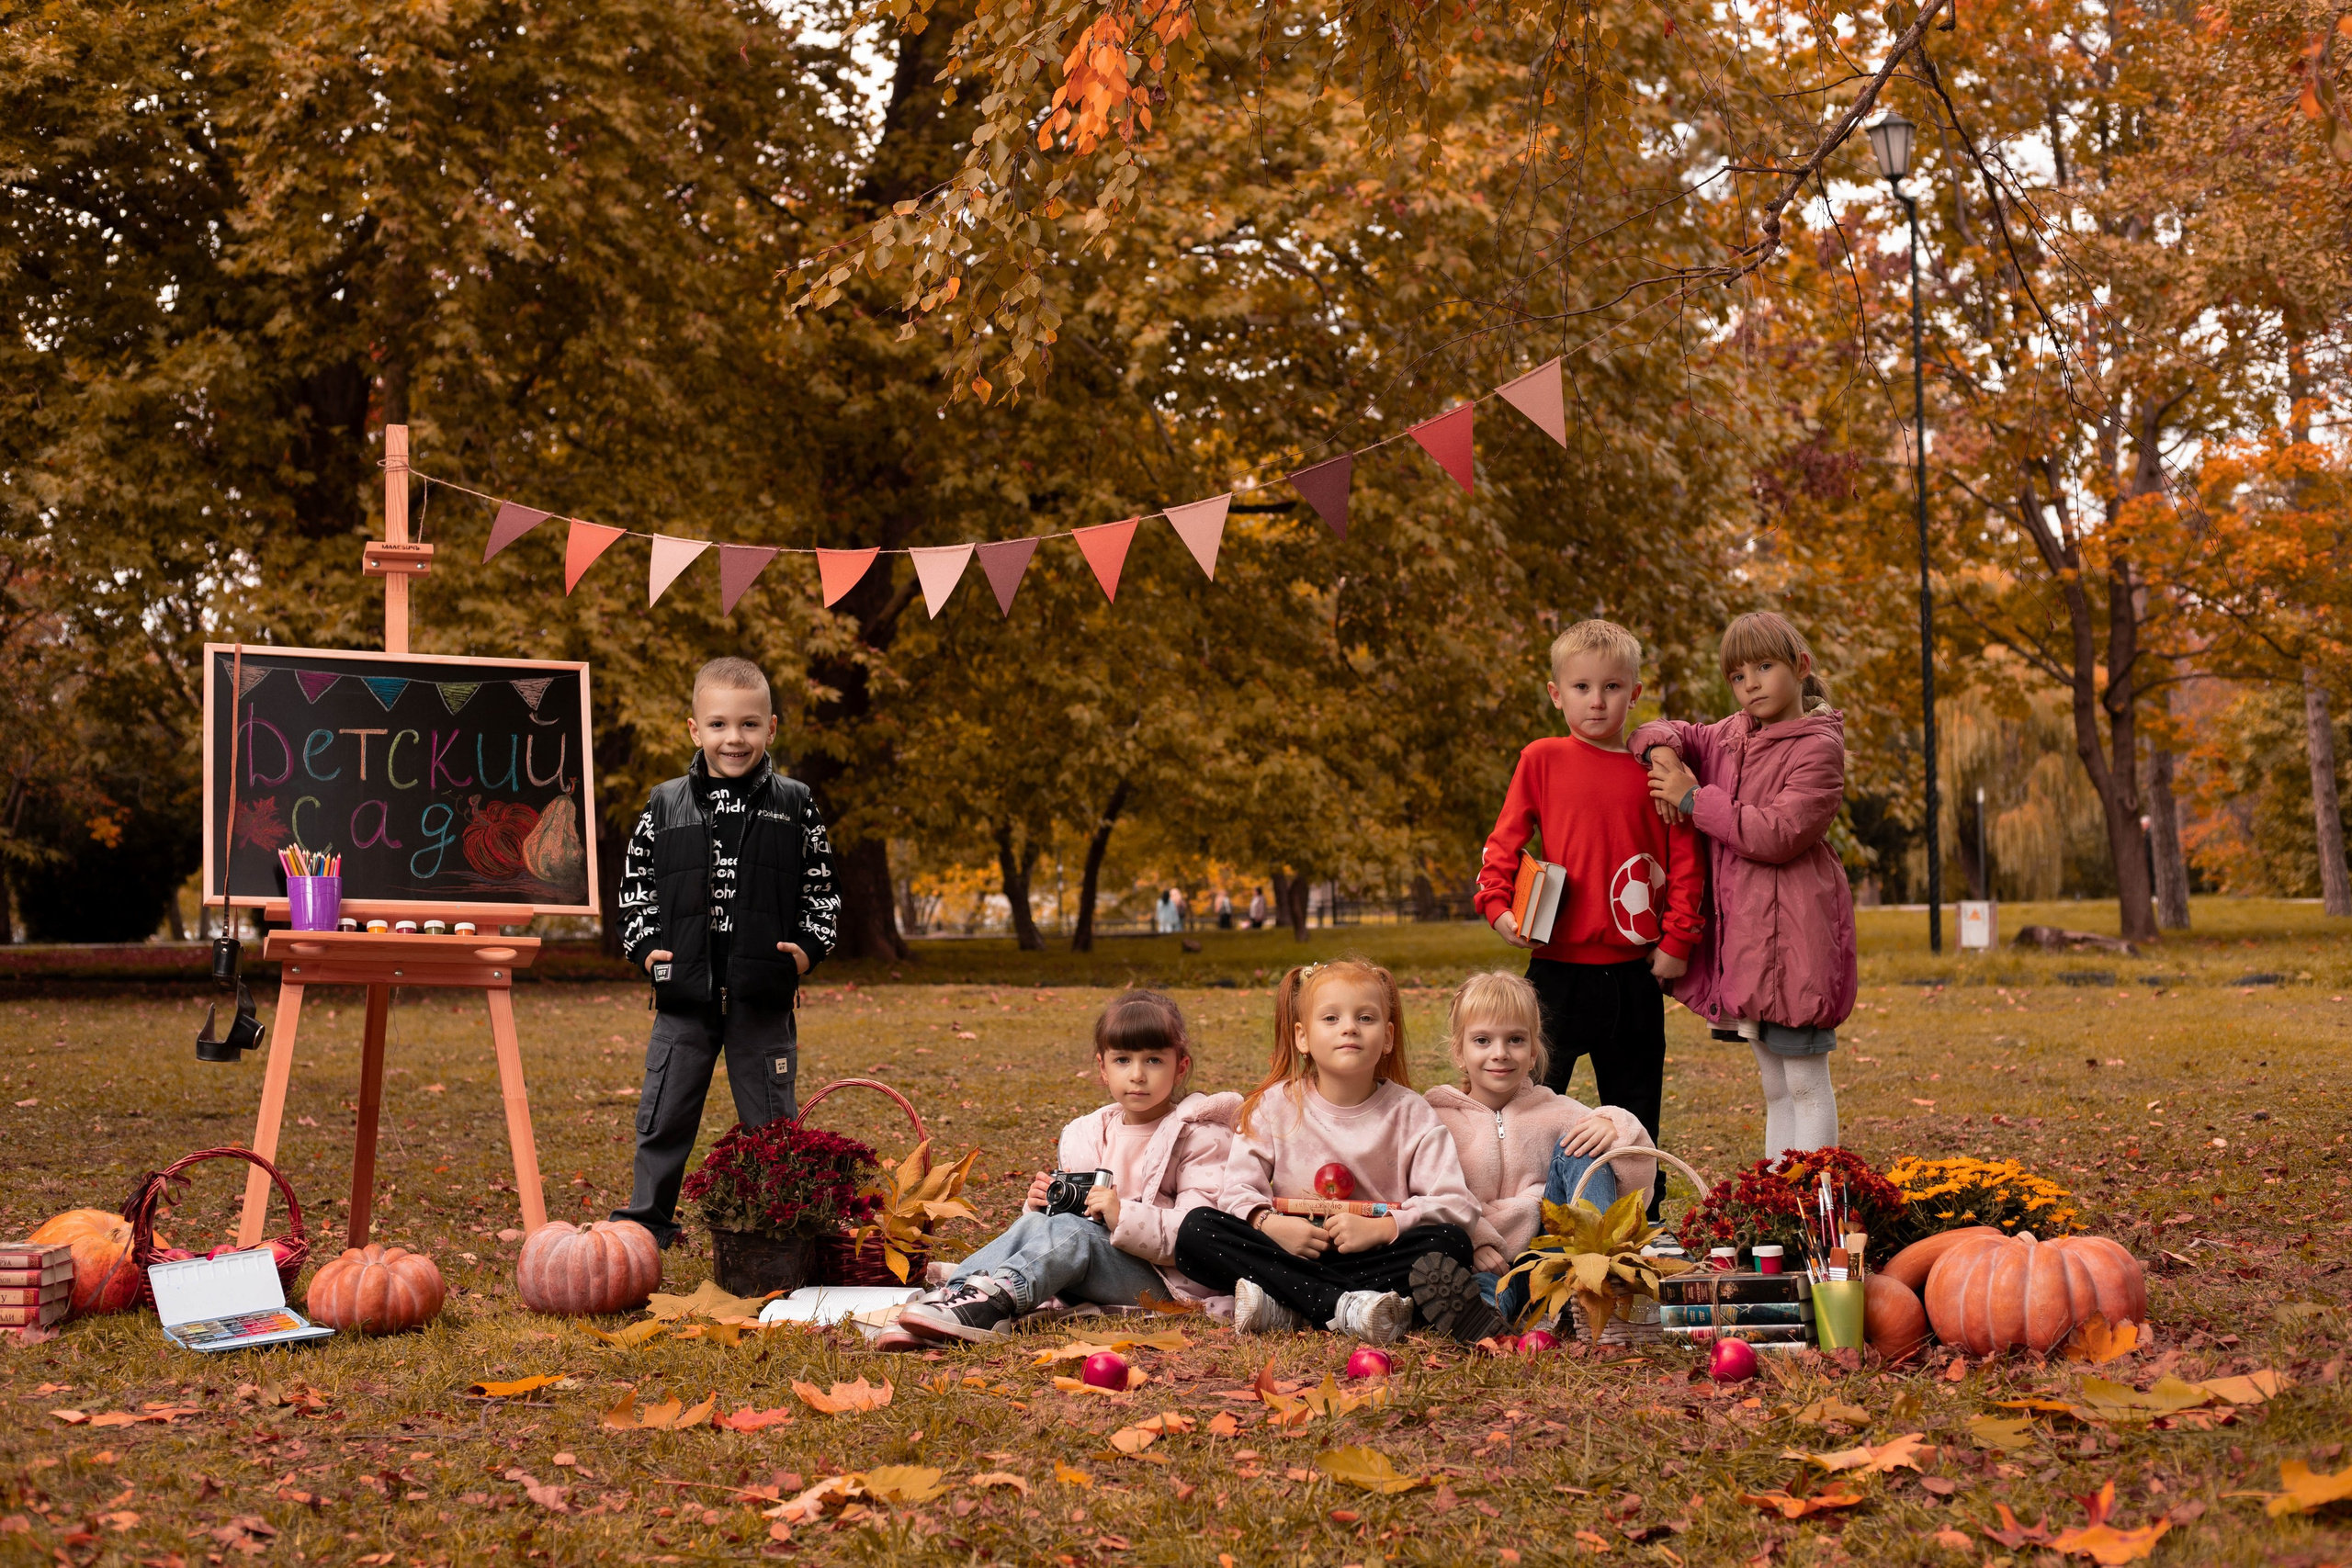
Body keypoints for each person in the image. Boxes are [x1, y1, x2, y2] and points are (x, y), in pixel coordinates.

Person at [1474, 619, 1703, 1213]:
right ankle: (1522, 1208)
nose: (1596, 700)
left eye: (1611, 687)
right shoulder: (1542, 759)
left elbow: (1685, 859)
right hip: (1554, 975)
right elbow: (1504, 844)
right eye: (1581, 687)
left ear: (1635, 691)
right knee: (1528, 1102)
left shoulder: (1656, 770)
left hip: (1633, 975)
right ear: (1556, 693)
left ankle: (1640, 1224)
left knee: (1632, 1108)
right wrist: (1499, 908)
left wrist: (1677, 937)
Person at [612, 657, 839, 1247]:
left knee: (770, 1120)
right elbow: (634, 889)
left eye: (748, 725)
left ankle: (776, 1227)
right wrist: (645, 951)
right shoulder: (665, 804)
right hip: (684, 993)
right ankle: (647, 1224)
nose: (733, 739)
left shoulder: (795, 803)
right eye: (718, 725)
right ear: (694, 729)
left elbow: (822, 890)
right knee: (664, 1113)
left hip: (761, 994)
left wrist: (807, 952)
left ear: (771, 728)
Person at [1172, 958, 1498, 1345]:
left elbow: (1457, 1205)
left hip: (1375, 1254)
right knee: (1195, 1230)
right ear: (1302, 1037)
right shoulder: (1276, 1105)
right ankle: (1350, 1306)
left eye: (1366, 1018)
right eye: (1331, 1019)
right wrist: (1268, 1223)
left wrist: (1383, 1228)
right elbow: (1237, 1191)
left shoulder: (1411, 1113)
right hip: (1291, 1251)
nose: (1349, 1028)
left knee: (1450, 1242)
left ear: (1388, 1036)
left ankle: (1293, 1306)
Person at [1630, 610, 1857, 1161]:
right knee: (1776, 1088)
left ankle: (1814, 1202)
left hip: (1796, 942)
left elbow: (1776, 832)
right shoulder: (1729, 735)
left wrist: (1691, 797)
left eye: (1764, 666)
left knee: (1805, 1083)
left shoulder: (1817, 748)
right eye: (1737, 675)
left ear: (1800, 666)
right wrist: (1664, 754)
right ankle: (1778, 1204)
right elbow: (1657, 729)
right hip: (1751, 945)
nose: (1750, 683)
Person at [897, 991, 1239, 1340]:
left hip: (1165, 1283)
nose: (1137, 1075)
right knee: (1042, 1226)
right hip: (1089, 1268)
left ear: (1180, 1067)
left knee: (1073, 1234)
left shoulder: (1200, 1136)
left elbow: (1199, 1238)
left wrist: (1123, 1215)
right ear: (1103, 1068)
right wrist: (1039, 1208)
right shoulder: (1089, 1133)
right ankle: (955, 1298)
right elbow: (1059, 1229)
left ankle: (991, 1304)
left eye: (1153, 1060)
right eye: (1122, 1060)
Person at [1423, 972, 1657, 1325]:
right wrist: (1475, 1240)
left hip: (1553, 1251)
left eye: (1515, 1039)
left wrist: (1615, 1126)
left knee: (1584, 1146)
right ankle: (1484, 1311)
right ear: (1459, 1052)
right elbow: (1428, 1193)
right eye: (1483, 1040)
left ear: (1533, 1052)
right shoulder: (1438, 1119)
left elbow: (1636, 1188)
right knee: (1491, 1284)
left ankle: (1600, 1273)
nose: (1500, 1053)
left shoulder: (1557, 1112)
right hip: (1482, 1254)